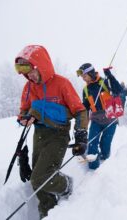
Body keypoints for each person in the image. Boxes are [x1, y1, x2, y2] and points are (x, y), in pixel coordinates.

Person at [15, 45, 88, 218]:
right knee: (36, 178)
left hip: (58, 135)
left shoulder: (61, 83)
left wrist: (81, 134)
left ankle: (66, 186)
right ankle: (47, 211)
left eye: (32, 70)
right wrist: (24, 118)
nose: (30, 76)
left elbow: (80, 111)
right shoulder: (28, 88)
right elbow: (23, 111)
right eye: (25, 72)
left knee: (40, 177)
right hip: (38, 135)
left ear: (41, 65)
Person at [77, 63, 122, 170]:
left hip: (110, 119)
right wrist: (81, 124)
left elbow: (118, 90)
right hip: (96, 120)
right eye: (82, 77)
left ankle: (105, 164)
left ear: (91, 73)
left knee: (105, 146)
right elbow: (86, 107)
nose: (83, 79)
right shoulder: (86, 89)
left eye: (84, 76)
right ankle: (93, 168)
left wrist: (109, 75)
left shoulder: (104, 82)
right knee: (92, 143)